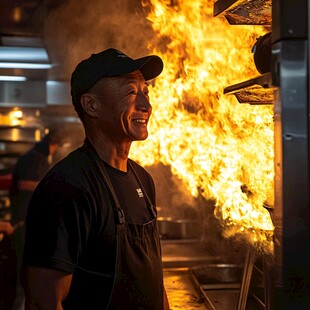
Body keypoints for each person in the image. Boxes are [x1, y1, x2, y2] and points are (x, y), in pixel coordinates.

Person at [22, 48, 170, 310]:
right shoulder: (66, 187)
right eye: (130, 92)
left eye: (145, 92)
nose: (146, 105)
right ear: (92, 105)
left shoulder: (143, 180)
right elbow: (43, 302)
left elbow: (154, 281)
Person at [9, 129, 64, 310]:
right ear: (54, 144)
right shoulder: (36, 157)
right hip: (23, 221)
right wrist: (51, 186)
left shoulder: (37, 156)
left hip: (27, 221)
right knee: (23, 271)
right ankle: (19, 305)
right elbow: (23, 183)